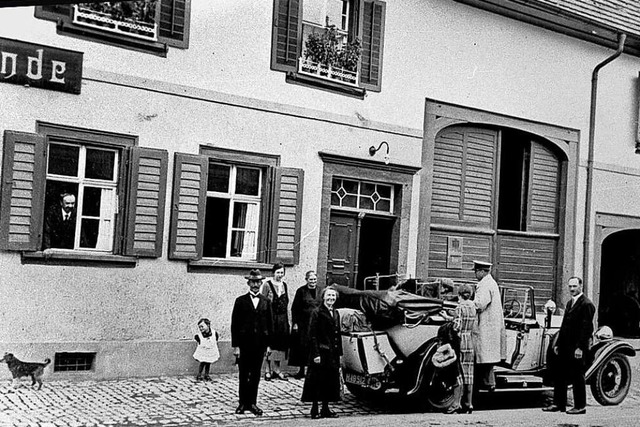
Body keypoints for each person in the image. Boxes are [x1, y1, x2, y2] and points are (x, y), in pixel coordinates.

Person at [543, 276, 595, 415]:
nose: (572, 289)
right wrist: (558, 344)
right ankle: (559, 404)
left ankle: (580, 406)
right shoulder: (569, 303)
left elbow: (587, 329)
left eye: (574, 286)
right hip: (565, 346)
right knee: (560, 374)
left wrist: (580, 348)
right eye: (570, 286)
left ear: (581, 286)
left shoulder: (587, 304)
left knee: (578, 375)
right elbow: (564, 326)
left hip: (576, 347)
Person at [231, 269, 273, 416]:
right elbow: (234, 325)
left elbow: (270, 324)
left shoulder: (266, 302)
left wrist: (268, 345)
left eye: (258, 282)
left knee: (255, 374)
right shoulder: (240, 301)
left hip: (259, 345)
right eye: (253, 282)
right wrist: (236, 346)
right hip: (244, 345)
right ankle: (242, 403)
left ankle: (252, 403)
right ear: (249, 283)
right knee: (244, 374)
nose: (255, 285)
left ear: (261, 283)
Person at [301, 286, 343, 419]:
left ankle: (326, 408)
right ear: (323, 297)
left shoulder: (335, 313)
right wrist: (315, 354)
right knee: (316, 381)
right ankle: (314, 409)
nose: (331, 298)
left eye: (333, 296)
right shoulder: (317, 312)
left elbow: (338, 334)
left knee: (329, 380)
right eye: (328, 296)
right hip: (320, 352)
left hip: (332, 353)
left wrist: (339, 354)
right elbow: (312, 334)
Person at [441, 283, 477, 413]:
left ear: (459, 294)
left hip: (460, 340)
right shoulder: (473, 306)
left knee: (458, 373)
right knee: (469, 374)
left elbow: (457, 326)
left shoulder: (459, 307)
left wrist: (447, 318)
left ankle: (456, 404)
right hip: (469, 340)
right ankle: (469, 403)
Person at [471, 260, 506, 391]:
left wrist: (466, 304)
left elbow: (480, 304)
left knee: (485, 355)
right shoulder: (490, 283)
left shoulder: (485, 284)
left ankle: (487, 384)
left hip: (486, 326)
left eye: (476, 271)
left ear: (481, 271)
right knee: (487, 357)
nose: (475, 274)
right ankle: (488, 383)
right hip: (490, 326)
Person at [289, 270, 323, 379]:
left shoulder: (321, 291)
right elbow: (295, 308)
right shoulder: (301, 291)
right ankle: (301, 370)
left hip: (316, 323)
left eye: (314, 279)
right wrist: (295, 323)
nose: (313, 281)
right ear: (306, 280)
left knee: (314, 345)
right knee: (302, 346)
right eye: (311, 279)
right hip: (303, 323)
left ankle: (312, 370)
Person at [260, 262, 290, 381]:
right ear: (273, 273)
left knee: (280, 344)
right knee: (269, 343)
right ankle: (268, 369)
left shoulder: (284, 285)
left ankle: (277, 369)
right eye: (278, 272)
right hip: (270, 317)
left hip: (282, 319)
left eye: (282, 272)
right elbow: (263, 302)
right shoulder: (267, 285)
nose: (280, 275)